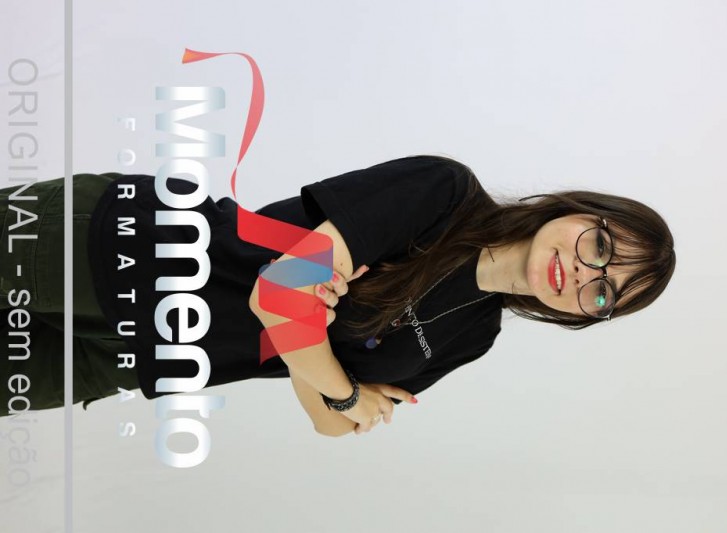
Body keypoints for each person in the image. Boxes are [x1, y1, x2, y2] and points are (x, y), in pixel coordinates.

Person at [0, 155, 675, 435]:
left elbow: (327, 423)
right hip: (129, 251)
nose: (584, 274)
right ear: (581, 209)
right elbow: (279, 301)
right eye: (600, 246)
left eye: (605, 294)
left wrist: (316, 356)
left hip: (142, 358)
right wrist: (340, 381)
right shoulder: (444, 195)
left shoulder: (473, 335)